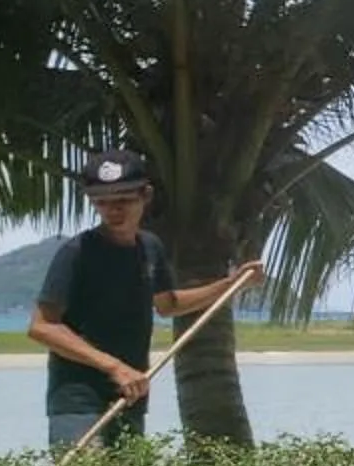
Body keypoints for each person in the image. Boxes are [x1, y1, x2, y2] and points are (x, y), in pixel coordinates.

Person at [26, 149, 264, 449]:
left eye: (123, 200)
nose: (113, 210)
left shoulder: (149, 247)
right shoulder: (77, 253)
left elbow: (169, 305)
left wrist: (231, 285)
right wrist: (114, 367)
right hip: (79, 403)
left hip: (131, 398)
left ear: (145, 195)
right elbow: (42, 327)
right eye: (102, 202)